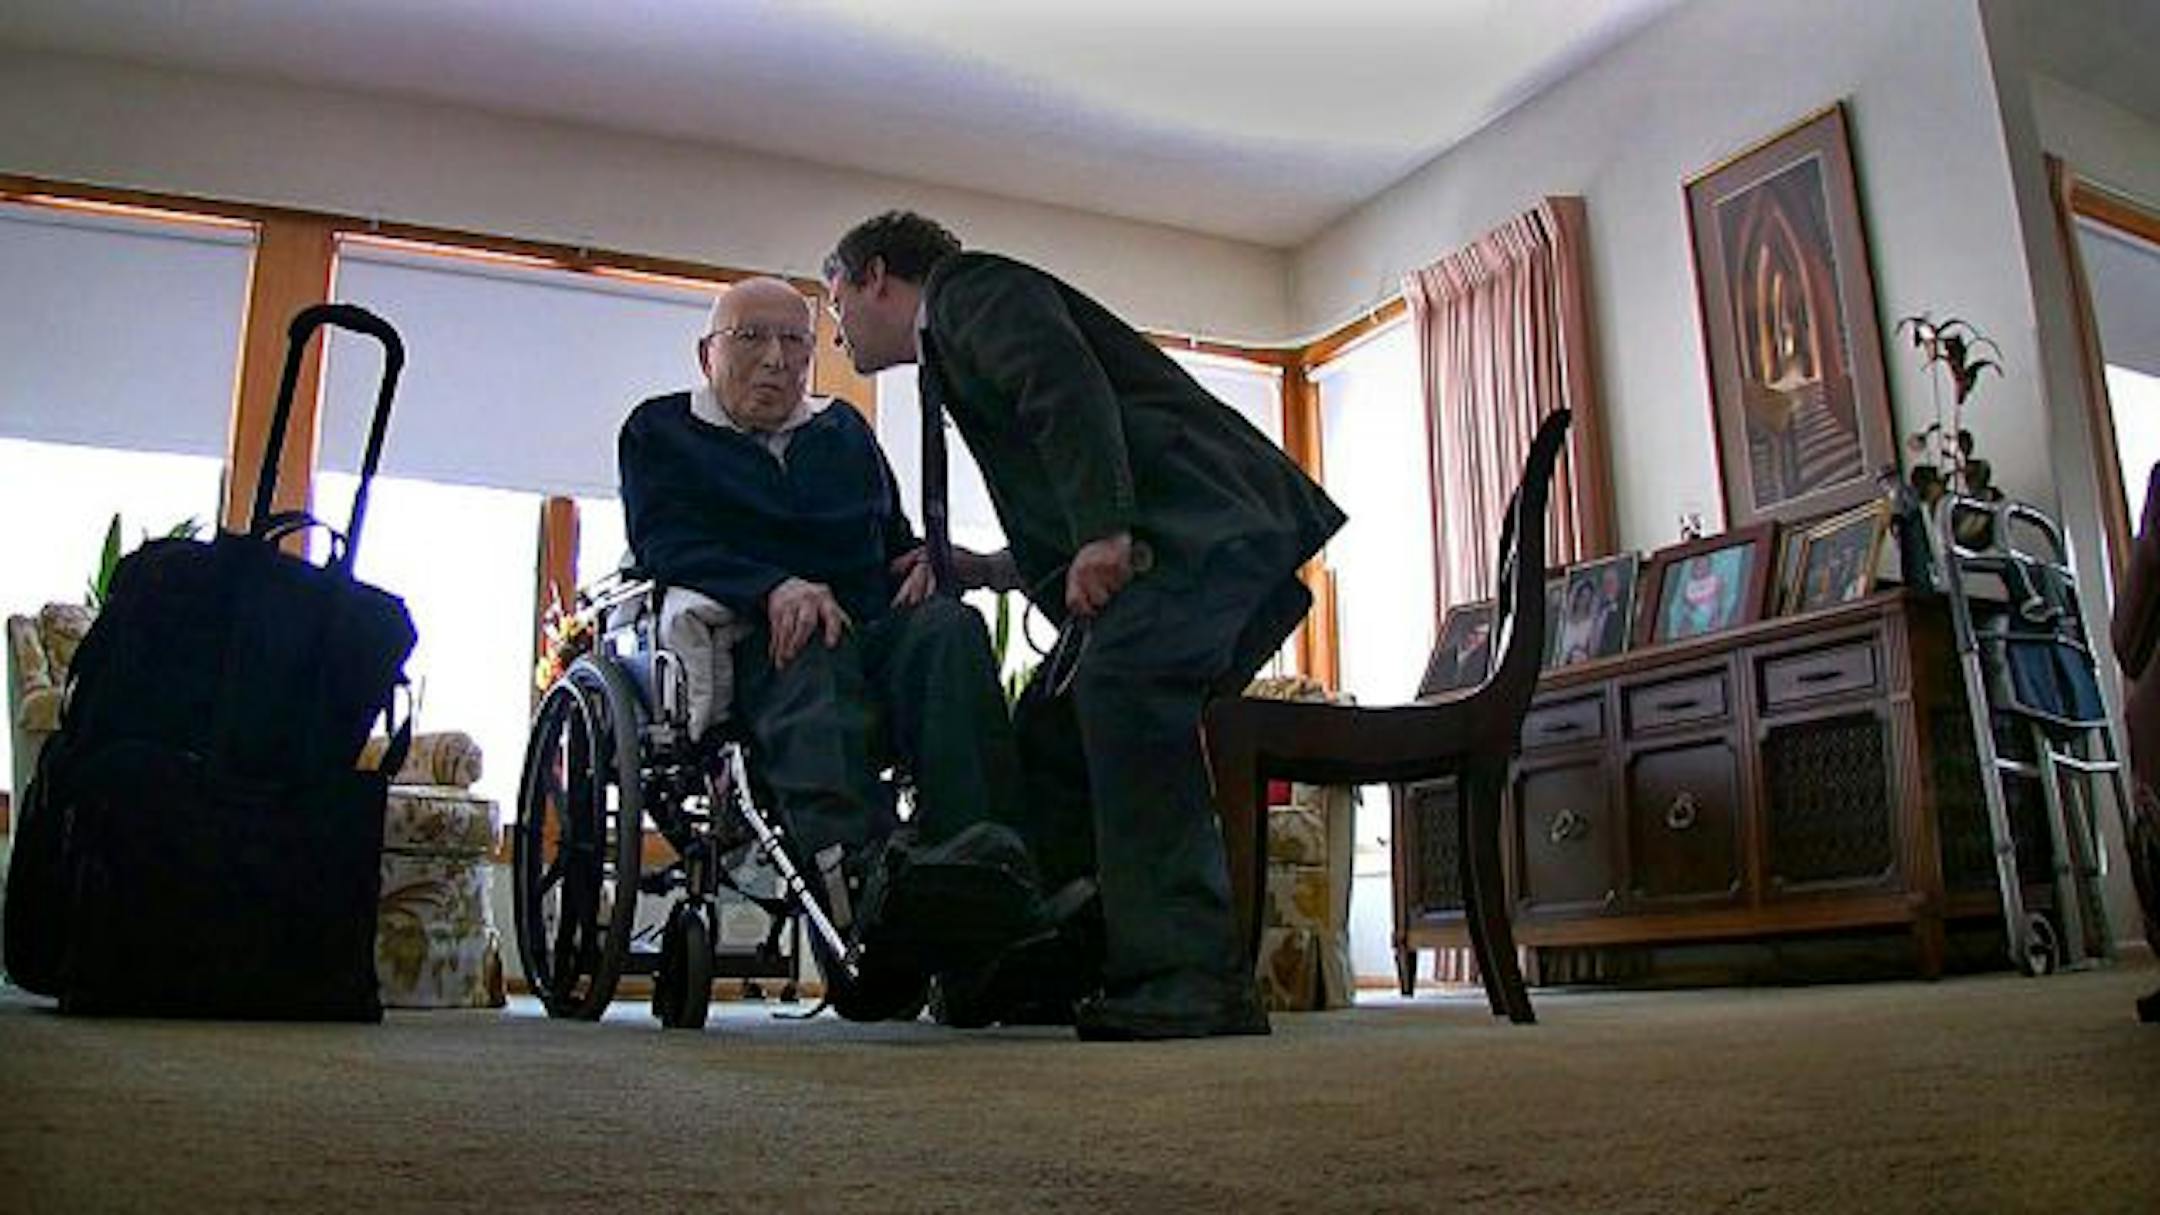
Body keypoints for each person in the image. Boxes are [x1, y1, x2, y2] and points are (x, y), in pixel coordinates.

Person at [823, 212, 1347, 1040]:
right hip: (1186, 541)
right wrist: (992, 568)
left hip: (1204, 530)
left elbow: (1061, 384)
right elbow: (1050, 440)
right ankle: (1064, 959)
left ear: (876, 276)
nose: (836, 324)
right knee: (1051, 729)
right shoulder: (961, 325)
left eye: (834, 298)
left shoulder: (972, 290)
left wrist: (1104, 530)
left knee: (1125, 690)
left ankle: (1192, 979)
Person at [617, 276, 1030, 1016]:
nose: (777, 359)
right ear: (706, 351)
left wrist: (925, 560)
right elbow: (664, 541)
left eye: (795, 341)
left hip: (870, 633)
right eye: (752, 339)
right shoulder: (660, 431)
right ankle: (861, 881)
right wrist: (774, 585)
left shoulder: (843, 433)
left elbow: (889, 541)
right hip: (762, 640)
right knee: (813, 632)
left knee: (950, 629)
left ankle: (984, 873)